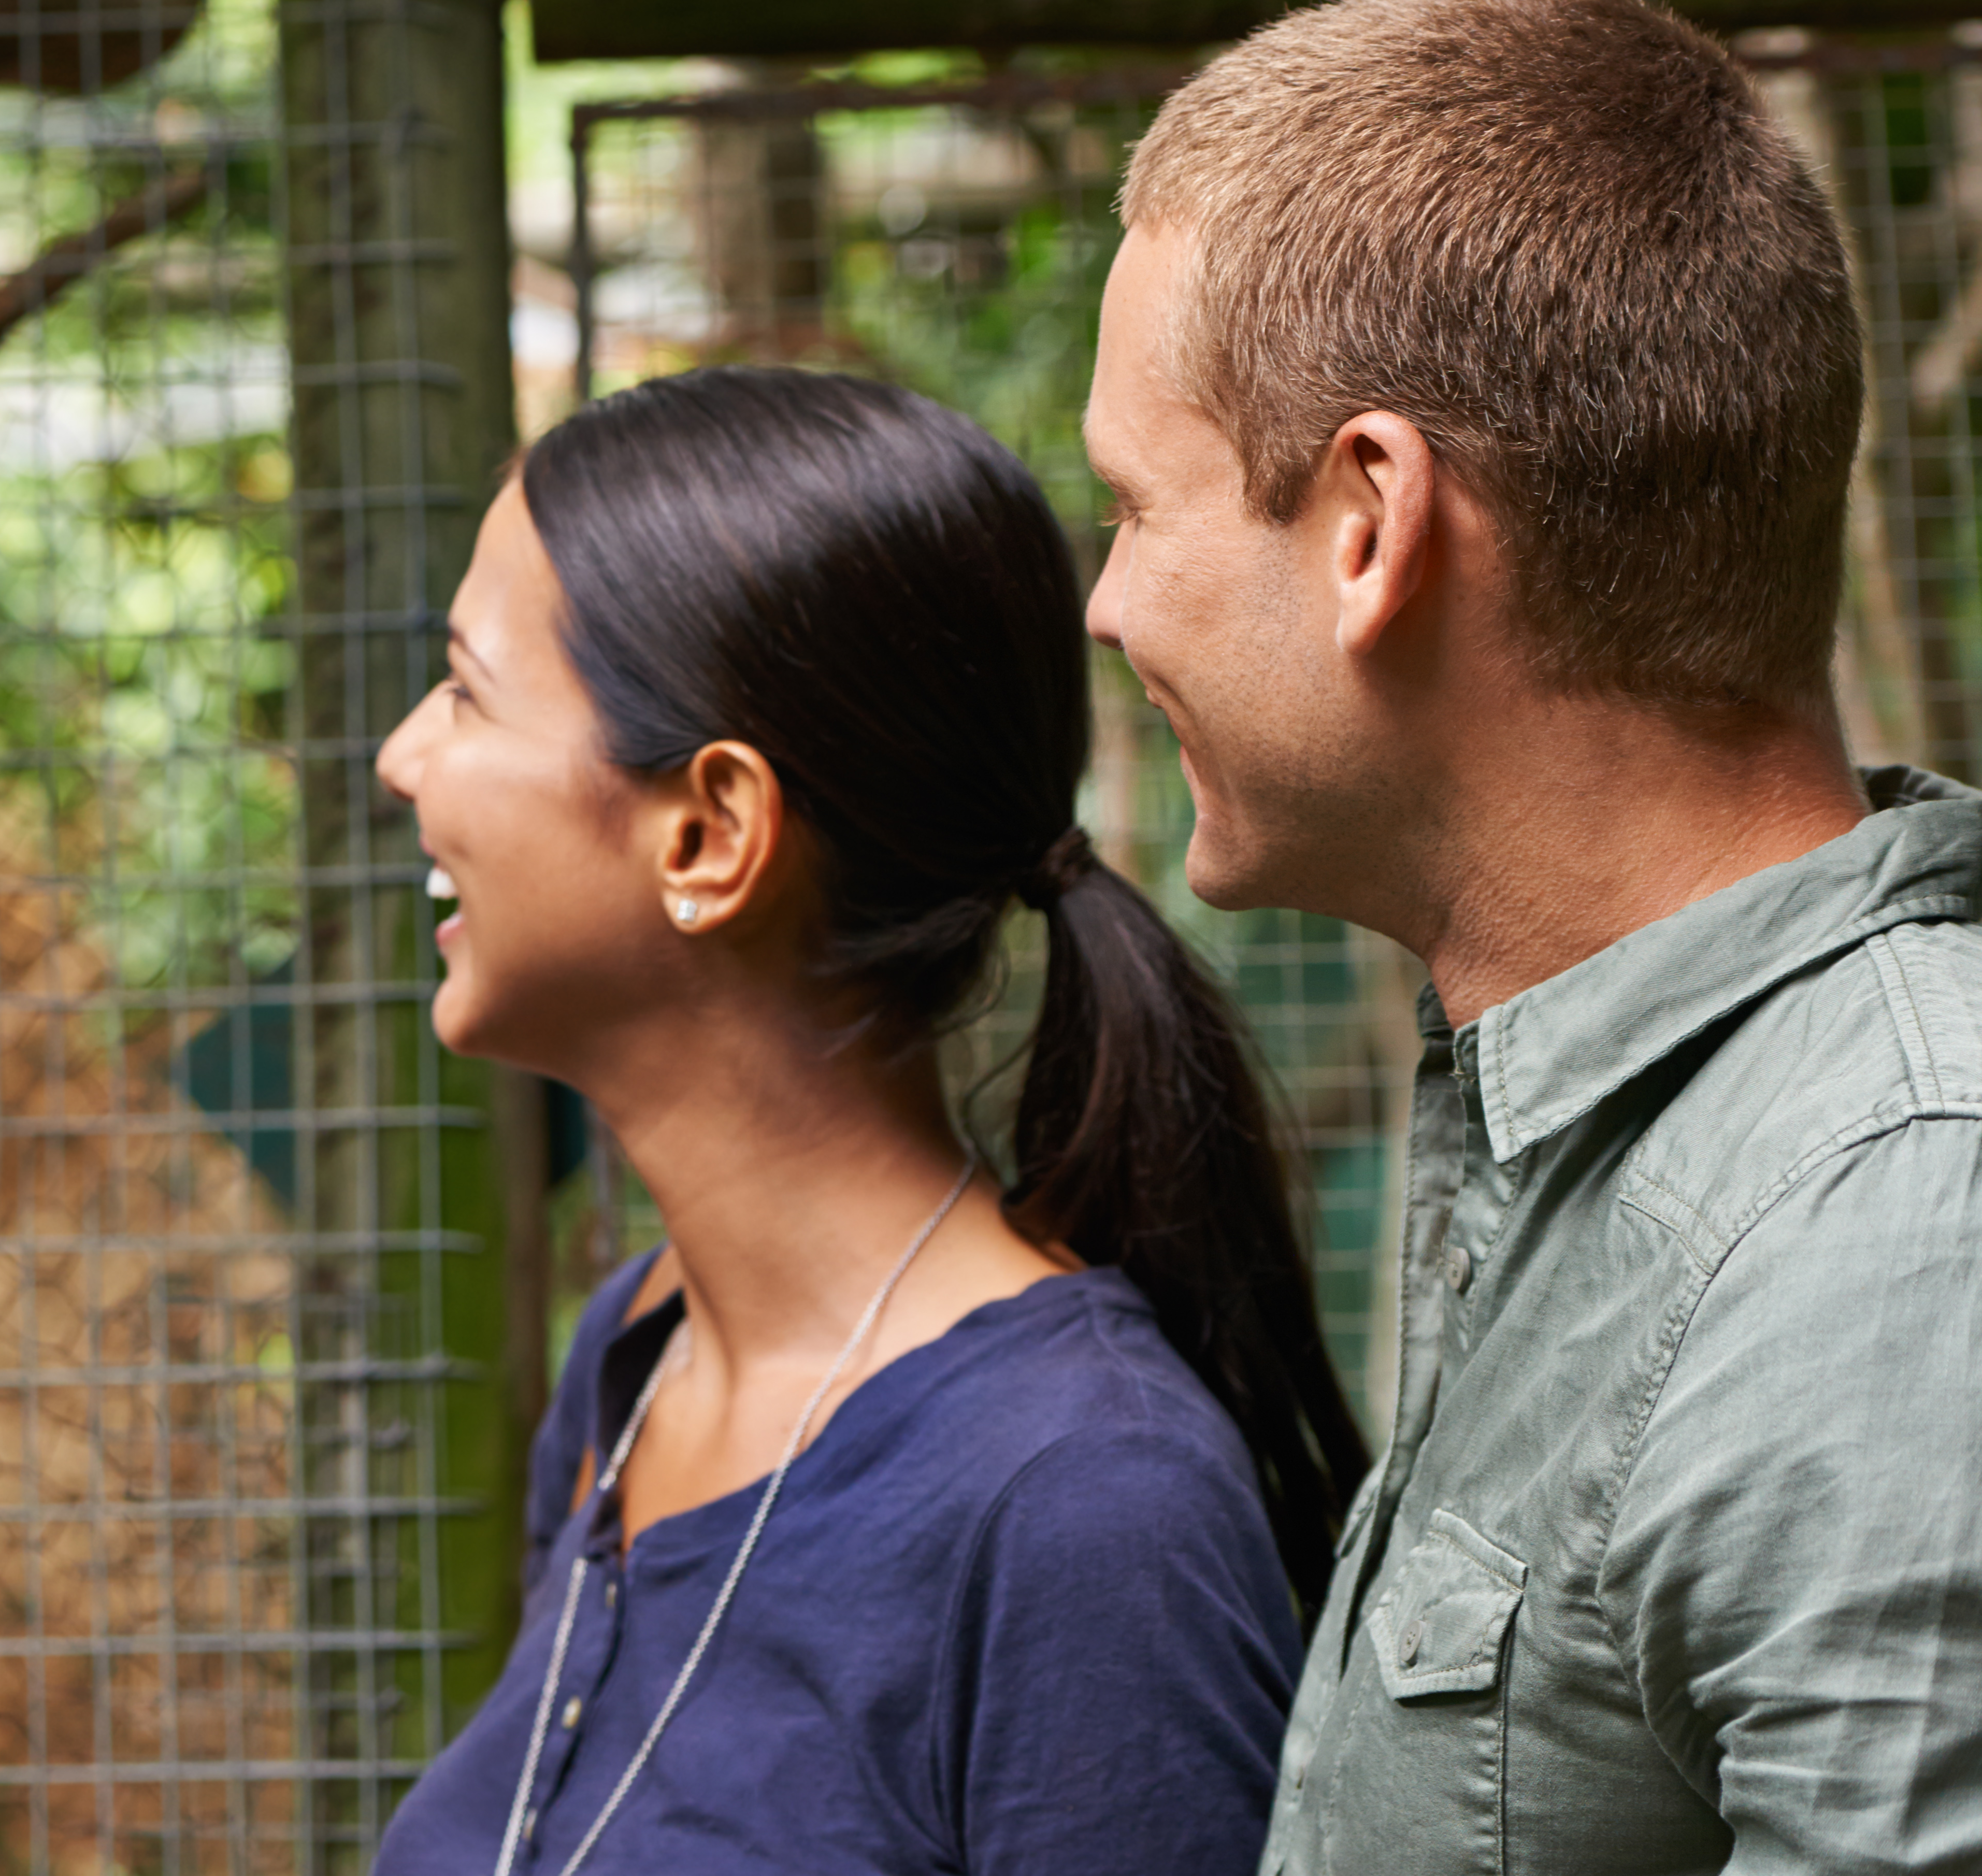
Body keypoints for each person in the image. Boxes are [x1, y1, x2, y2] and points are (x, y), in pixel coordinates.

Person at [1082, 0, 1982, 1873]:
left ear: (1366, 523)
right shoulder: (1599, 1112)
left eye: (1133, 509)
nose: (1106, 602)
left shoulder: (1895, 1230)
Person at [369, 365, 1367, 1876]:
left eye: (462, 690)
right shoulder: (633, 1362)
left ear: (708, 834)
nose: (401, 755)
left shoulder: (1084, 1508)